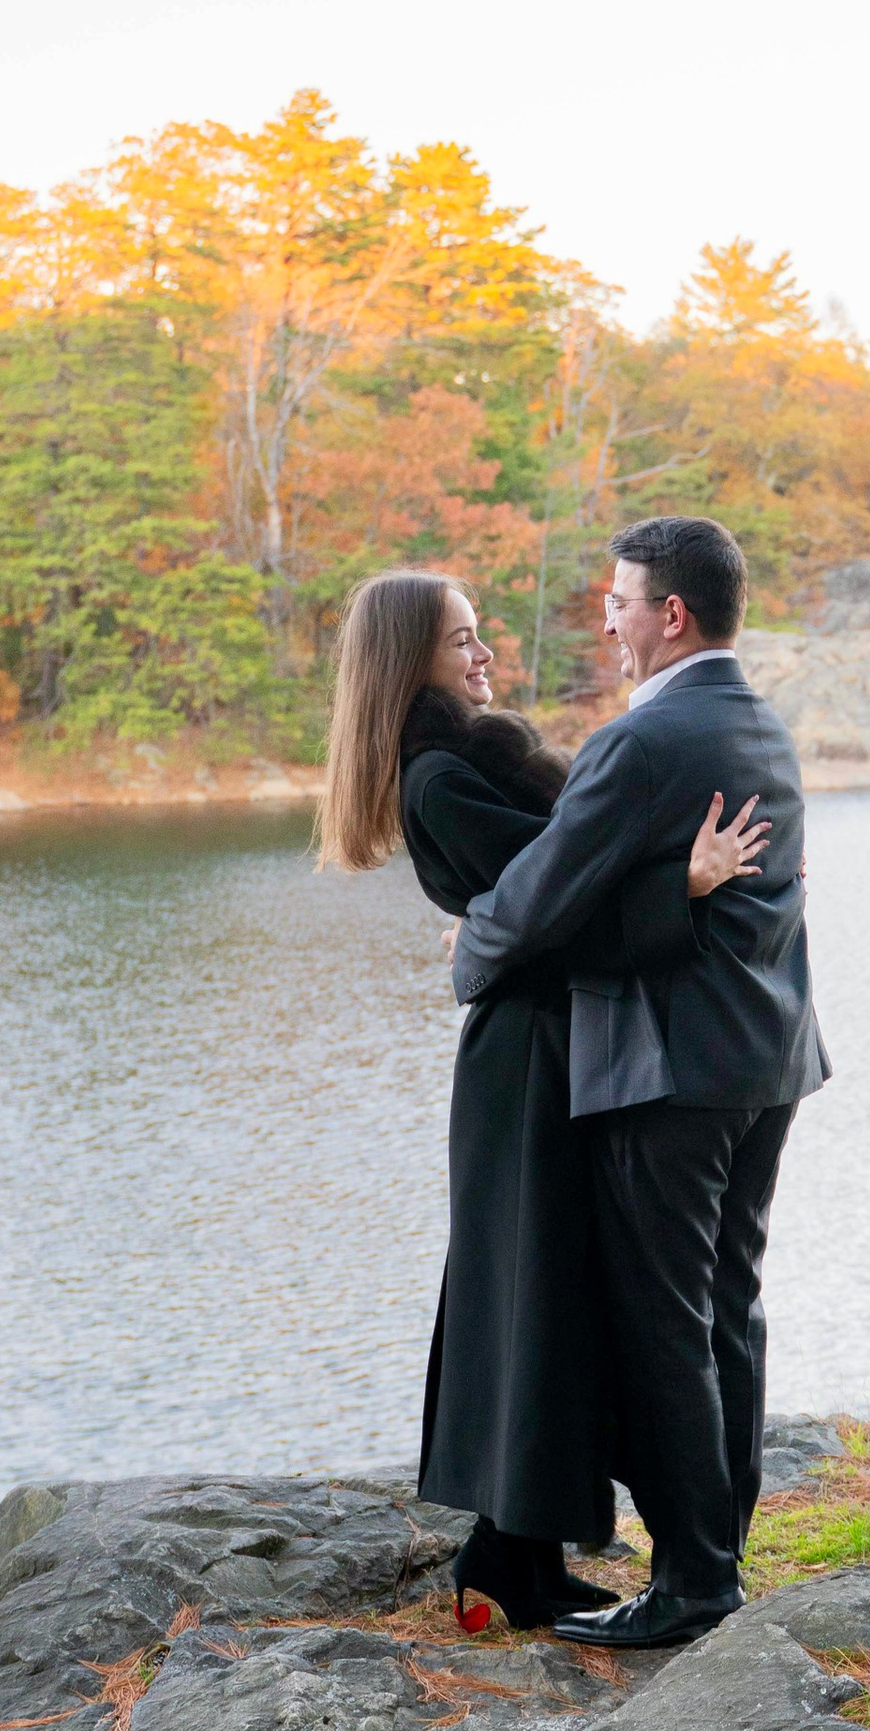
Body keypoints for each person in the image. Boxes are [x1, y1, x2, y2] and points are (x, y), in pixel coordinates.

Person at [319, 568, 769, 1627]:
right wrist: (683, 884)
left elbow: (557, 885)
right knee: (531, 1290)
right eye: (459, 643)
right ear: (408, 664)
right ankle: (503, 1554)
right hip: (531, 1061)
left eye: (479, 637)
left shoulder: (471, 758)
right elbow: (556, 904)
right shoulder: (439, 775)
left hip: (561, 1040)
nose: (483, 657)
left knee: (549, 1295)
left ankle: (512, 1554)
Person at [449, 515, 825, 1653]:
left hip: (669, 1071)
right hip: (766, 1056)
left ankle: (697, 1580)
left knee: (666, 1323)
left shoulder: (642, 741)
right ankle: (719, 1545)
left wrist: (471, 950)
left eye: (617, 601)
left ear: (669, 613)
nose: (605, 621)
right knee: (726, 1307)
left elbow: (540, 890)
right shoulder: (757, 721)